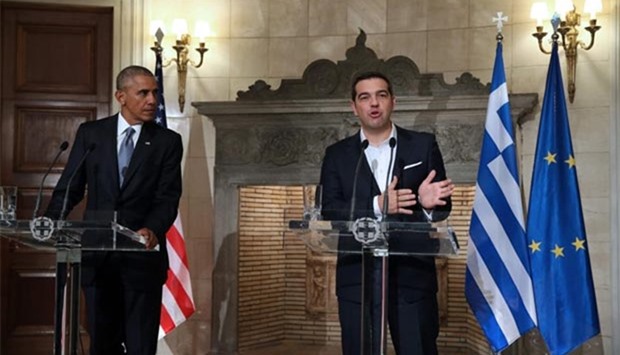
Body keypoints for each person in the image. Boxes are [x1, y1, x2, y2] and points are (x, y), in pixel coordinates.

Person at [45, 65, 183, 355]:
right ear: (121, 96)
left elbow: (168, 196)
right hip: (99, 259)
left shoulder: (167, 141)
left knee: (140, 347)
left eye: (155, 93)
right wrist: (48, 220)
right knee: (102, 346)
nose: (152, 100)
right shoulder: (91, 134)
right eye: (143, 93)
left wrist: (154, 228)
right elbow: (70, 186)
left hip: (141, 260)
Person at [319, 71, 454, 354]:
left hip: (412, 278)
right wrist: (378, 205)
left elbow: (443, 206)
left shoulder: (422, 145)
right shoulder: (337, 154)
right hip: (358, 278)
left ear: (393, 101)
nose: (374, 104)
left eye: (381, 95)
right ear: (353, 106)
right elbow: (330, 209)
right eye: (364, 97)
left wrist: (429, 205)